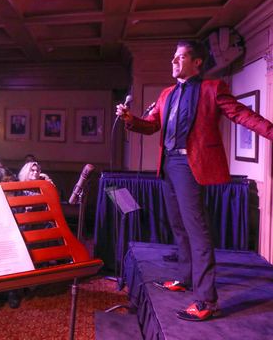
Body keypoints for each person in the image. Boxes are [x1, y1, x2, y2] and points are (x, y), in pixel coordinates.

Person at [116, 40, 273, 322]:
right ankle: (186, 278)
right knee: (179, 227)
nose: (173, 62)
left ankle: (207, 301)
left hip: (191, 165)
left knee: (197, 231)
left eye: (180, 57)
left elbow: (242, 115)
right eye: (173, 58)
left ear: (197, 62)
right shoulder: (166, 95)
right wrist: (130, 119)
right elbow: (151, 125)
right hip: (168, 165)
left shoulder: (213, 89)